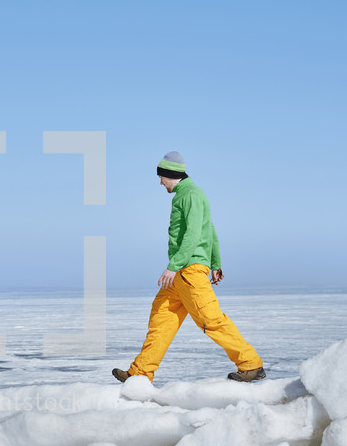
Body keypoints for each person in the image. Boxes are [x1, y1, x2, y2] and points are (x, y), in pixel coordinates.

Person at [112, 151, 265, 383]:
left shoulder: (190, 195)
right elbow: (209, 229)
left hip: (188, 270)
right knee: (161, 319)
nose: (160, 182)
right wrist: (215, 262)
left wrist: (174, 266)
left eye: (161, 177)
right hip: (181, 274)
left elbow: (194, 234)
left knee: (210, 319)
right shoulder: (189, 195)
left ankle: (251, 364)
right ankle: (140, 372)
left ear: (170, 175)